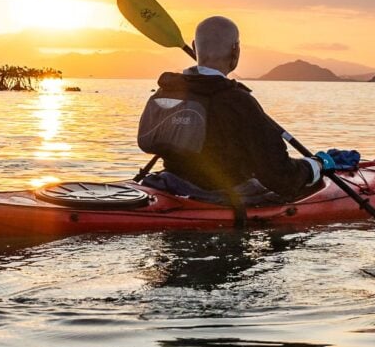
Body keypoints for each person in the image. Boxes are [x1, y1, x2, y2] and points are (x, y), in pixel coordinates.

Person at [137, 15, 331, 205]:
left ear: (195, 47)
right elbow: (281, 178)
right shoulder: (238, 102)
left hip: (170, 185)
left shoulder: (167, 91)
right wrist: (315, 165)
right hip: (222, 198)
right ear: (235, 50)